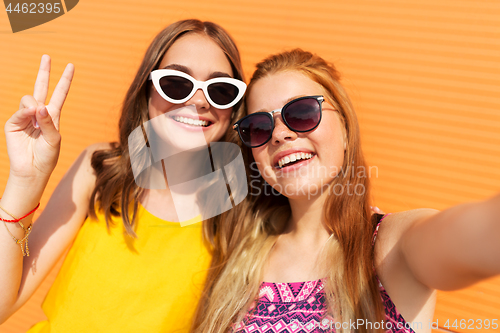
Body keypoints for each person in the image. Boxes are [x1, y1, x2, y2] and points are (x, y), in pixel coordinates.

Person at [192, 49, 500, 333]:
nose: (281, 135)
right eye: (259, 127)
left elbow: (471, 234)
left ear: (346, 131)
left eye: (301, 113)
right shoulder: (238, 253)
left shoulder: (387, 247)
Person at [0, 19, 246, 332]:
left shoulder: (237, 212)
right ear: (148, 88)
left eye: (221, 90)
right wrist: (25, 182)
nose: (199, 101)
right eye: (176, 83)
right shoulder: (100, 168)